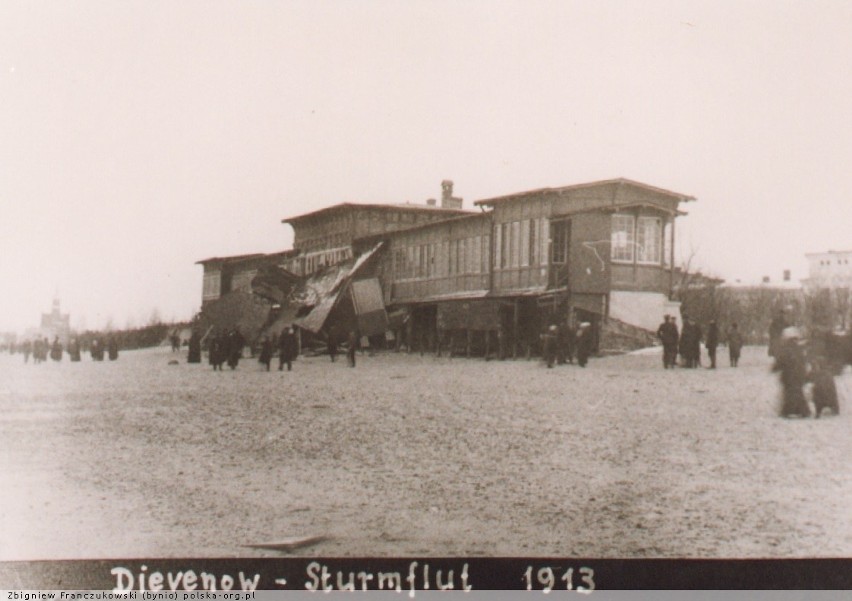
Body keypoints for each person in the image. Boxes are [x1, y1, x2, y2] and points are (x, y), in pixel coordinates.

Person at [772, 327, 810, 418]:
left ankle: (789, 410)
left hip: (789, 376)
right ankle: (802, 410)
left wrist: (775, 368)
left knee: (790, 393)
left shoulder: (786, 349)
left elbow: (781, 362)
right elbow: (804, 362)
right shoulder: (799, 349)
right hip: (799, 375)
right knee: (798, 393)